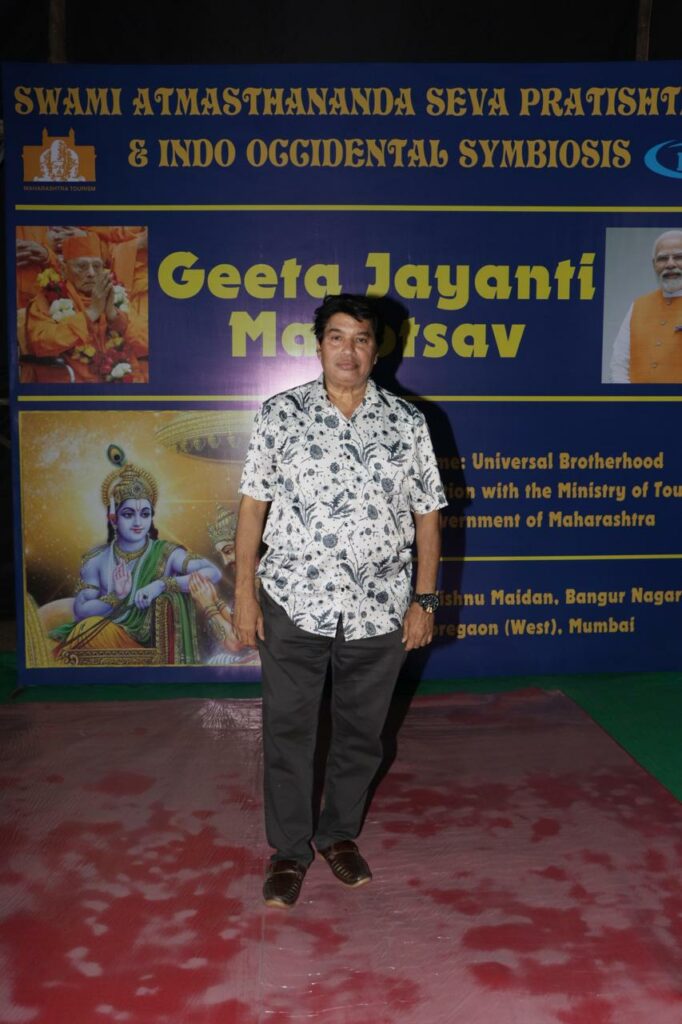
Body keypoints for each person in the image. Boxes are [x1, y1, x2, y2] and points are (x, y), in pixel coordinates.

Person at [234, 293, 447, 908]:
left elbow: (428, 517)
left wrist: (425, 601)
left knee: (361, 734)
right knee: (289, 732)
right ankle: (288, 851)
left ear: (377, 350)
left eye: (361, 338)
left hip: (379, 608)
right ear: (319, 344)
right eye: (336, 336)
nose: (348, 350)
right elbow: (252, 507)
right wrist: (243, 593)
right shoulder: (281, 414)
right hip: (293, 602)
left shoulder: (407, 422)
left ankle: (338, 835)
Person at [52, 451, 222, 664]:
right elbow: (81, 611)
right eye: (128, 514)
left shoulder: (165, 553)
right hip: (108, 633)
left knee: (86, 633)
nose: (138, 522)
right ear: (113, 518)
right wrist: (116, 596)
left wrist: (162, 584)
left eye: (145, 514)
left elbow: (213, 572)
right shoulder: (96, 560)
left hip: (144, 643)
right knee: (85, 628)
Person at [24, 231, 148, 384]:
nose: (91, 273)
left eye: (96, 266)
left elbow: (146, 343)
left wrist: (115, 317)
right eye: (81, 266)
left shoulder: (116, 296)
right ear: (63, 269)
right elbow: (41, 343)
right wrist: (91, 314)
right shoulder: (47, 300)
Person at [610, 230, 682, 383]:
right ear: (654, 264)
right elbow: (619, 363)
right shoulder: (638, 306)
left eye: (678, 257)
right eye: (663, 258)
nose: (670, 264)